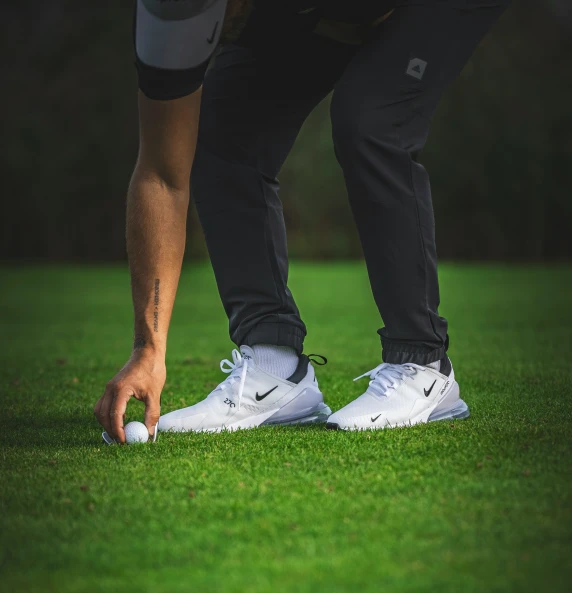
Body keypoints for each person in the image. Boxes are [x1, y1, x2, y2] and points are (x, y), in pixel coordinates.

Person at [94, 0, 509, 442]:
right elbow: (162, 175)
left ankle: (424, 367)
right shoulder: (170, 18)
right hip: (308, 12)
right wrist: (149, 349)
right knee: (223, 129)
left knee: (372, 118)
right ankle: (277, 371)